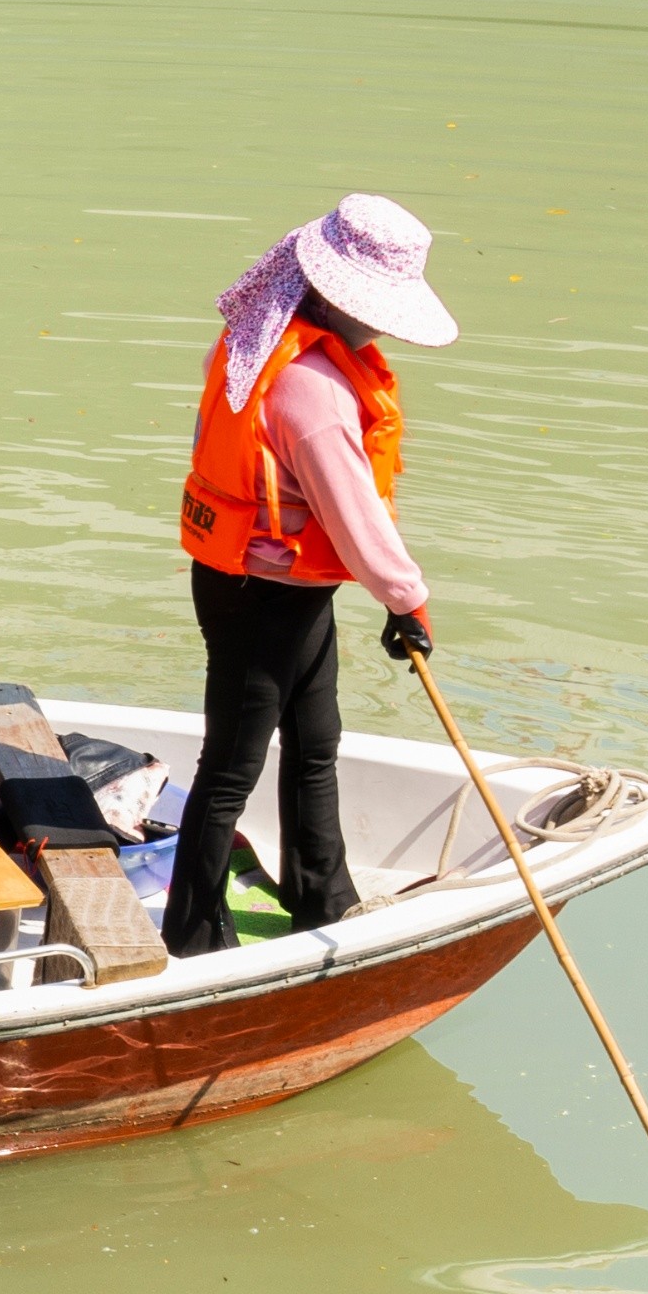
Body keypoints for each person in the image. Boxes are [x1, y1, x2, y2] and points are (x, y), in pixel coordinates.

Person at [163, 193, 453, 956]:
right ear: (330, 296)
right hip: (261, 596)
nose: (380, 325)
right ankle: (192, 934)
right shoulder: (311, 391)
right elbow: (353, 513)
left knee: (315, 738)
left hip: (260, 583)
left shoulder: (249, 345)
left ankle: (322, 896)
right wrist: (407, 600)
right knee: (230, 766)